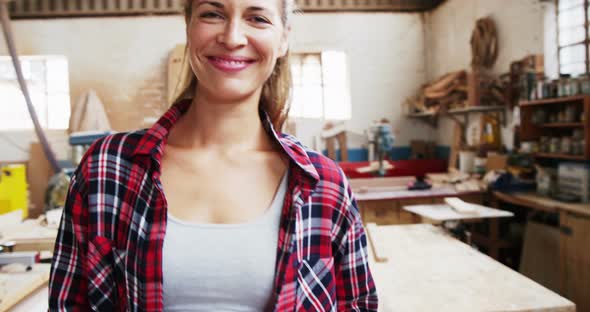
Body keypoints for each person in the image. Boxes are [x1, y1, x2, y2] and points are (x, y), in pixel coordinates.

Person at [48, 0, 378, 310]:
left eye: (257, 18)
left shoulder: (325, 185)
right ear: (188, 26)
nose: (232, 37)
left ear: (283, 39)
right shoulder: (107, 170)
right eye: (212, 14)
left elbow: (358, 304)